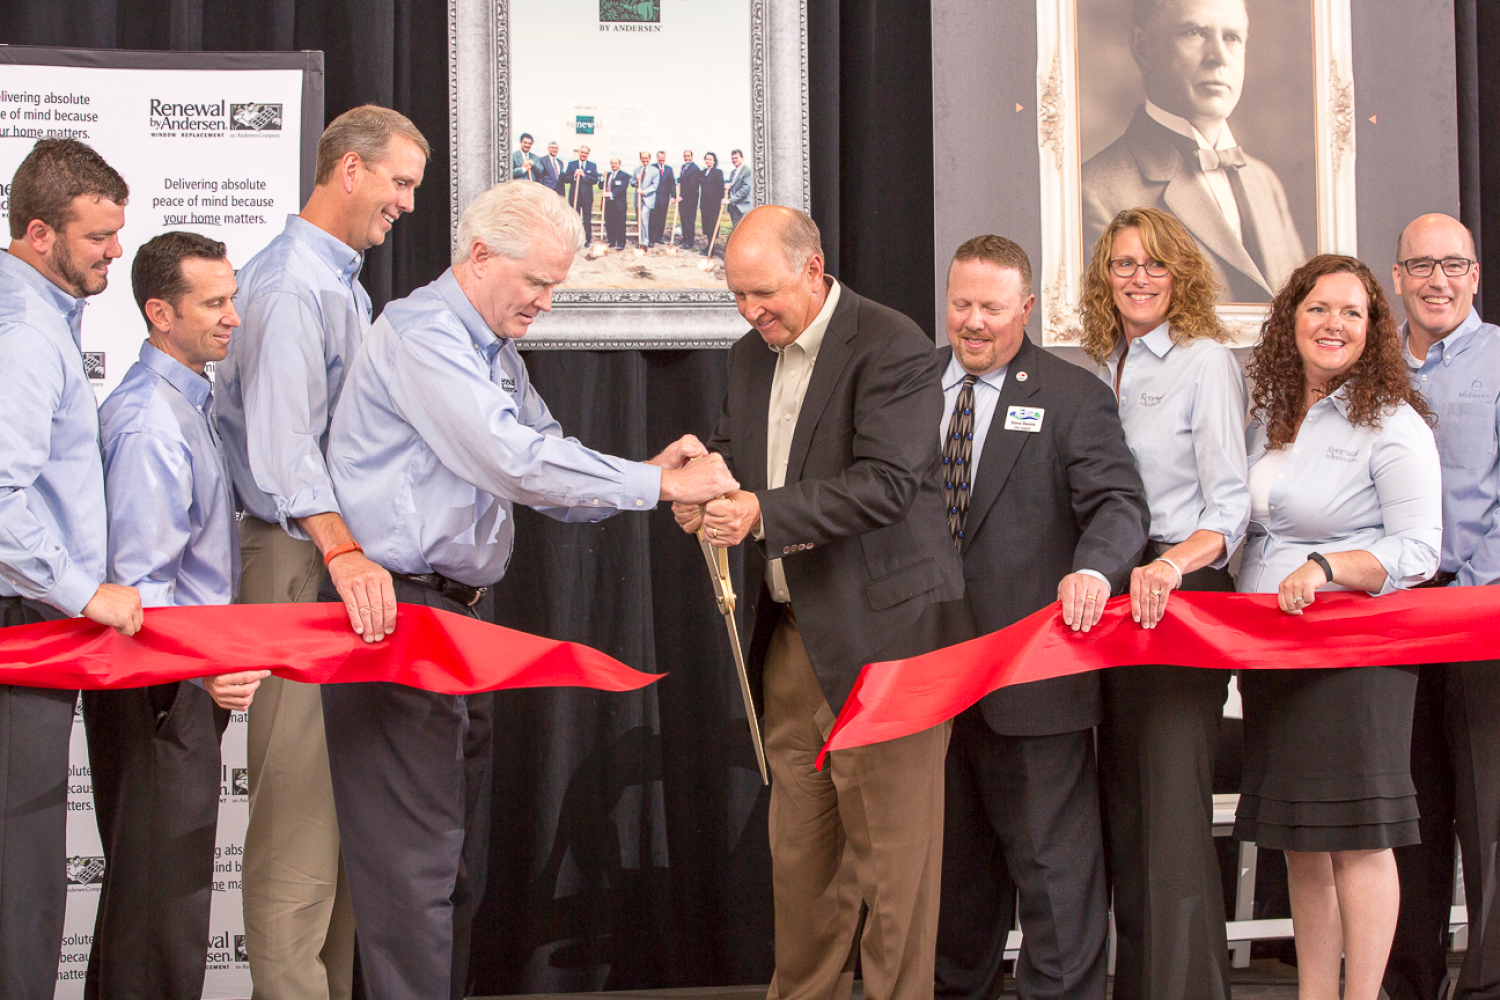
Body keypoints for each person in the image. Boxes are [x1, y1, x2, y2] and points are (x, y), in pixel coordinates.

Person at [322, 179, 738, 1000]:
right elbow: (514, 461)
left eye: (558, 285)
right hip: (399, 616)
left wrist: (647, 476)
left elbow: (552, 467)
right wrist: (661, 491)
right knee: (416, 875)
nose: (548, 302)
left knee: (450, 864)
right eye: (538, 282)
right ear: (479, 256)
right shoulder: (425, 334)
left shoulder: (492, 351)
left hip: (450, 619)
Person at [672, 205, 965, 1000]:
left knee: (895, 873)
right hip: (792, 644)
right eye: (736, 296)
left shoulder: (892, 343)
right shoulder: (746, 356)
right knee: (801, 867)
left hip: (889, 643)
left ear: (813, 269)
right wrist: (702, 481)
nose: (750, 312)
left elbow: (889, 483)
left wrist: (760, 512)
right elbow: (743, 457)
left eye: (762, 293)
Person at [214, 104, 429, 1000]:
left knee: (341, 819)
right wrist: (343, 554)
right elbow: (282, 453)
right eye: (400, 183)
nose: (408, 205)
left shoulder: (339, 279)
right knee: (300, 821)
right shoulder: (292, 285)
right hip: (300, 558)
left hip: (330, 557)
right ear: (349, 169)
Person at [934, 236, 1148, 1000]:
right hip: (930, 682)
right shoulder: (912, 385)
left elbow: (1120, 504)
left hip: (1033, 680)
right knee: (949, 883)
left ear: (1026, 308)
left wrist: (1093, 569)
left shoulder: (1071, 394)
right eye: (961, 303)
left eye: (992, 307)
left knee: (1055, 879)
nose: (973, 322)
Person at [1237, 254, 1441, 1000]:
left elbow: (1420, 549)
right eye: (1319, 308)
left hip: (1355, 661)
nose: (1334, 324)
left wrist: (1326, 566)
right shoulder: (1272, 415)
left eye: (1352, 312)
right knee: (1301, 845)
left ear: (1373, 330)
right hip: (1274, 656)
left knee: (1358, 842)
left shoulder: (1393, 421)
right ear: (1292, 318)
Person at [86, 232, 271, 1000]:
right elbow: (139, 589)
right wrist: (207, 663)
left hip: (178, 685)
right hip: (163, 689)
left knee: (160, 901)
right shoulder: (150, 422)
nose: (234, 317)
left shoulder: (184, 402)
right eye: (215, 302)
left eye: (234, 297)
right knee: (159, 909)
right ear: (160, 312)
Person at [1079, 206, 1250, 1000]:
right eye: (1122, 264)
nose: (1138, 278)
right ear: (1103, 277)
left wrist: (1173, 568)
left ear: (1179, 275)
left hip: (1181, 593)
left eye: (1154, 264)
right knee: (1125, 806)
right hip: (1116, 596)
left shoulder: (1204, 360)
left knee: (1171, 811)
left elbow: (1230, 506)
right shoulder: (1101, 367)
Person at [0, 137, 142, 1000]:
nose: (116, 253)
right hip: (23, 623)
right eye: (99, 238)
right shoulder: (25, 336)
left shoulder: (39, 321)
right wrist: (84, 590)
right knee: (20, 864)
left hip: (29, 617)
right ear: (42, 232)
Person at [1383, 214, 1500, 1000]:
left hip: (1481, 611)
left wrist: (1482, 593)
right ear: (1396, 278)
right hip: (1389, 621)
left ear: (1476, 276)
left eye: (1453, 265)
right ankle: (1408, 982)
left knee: (1489, 817)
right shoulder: (1370, 365)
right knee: (1404, 817)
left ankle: (1489, 983)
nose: (1437, 280)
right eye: (1421, 265)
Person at [1081, 0, 1306, 303]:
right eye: (1195, 32)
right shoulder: (1094, 192)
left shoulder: (1265, 183)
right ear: (1143, 48)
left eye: (1232, 37)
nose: (1220, 57)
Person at [563, 145, 599, 241]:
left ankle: (587, 239)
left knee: (587, 219)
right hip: (575, 196)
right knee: (575, 218)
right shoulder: (572, 164)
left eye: (586, 153)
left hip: (587, 197)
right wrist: (574, 176)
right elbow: (566, 178)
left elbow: (595, 180)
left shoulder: (592, 165)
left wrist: (584, 176)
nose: (583, 154)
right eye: (582, 152)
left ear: (588, 154)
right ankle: (575, 239)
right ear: (579, 152)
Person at [699, 152, 726, 255]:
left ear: (714, 161)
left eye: (710, 159)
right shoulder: (702, 173)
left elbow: (720, 188)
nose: (708, 161)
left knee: (712, 226)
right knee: (706, 225)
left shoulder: (718, 172)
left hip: (713, 204)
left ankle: (711, 247)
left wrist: (720, 200)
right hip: (704, 203)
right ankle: (708, 245)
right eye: (706, 159)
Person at [601, 156, 631, 249]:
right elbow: (600, 186)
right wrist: (602, 178)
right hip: (608, 203)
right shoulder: (608, 175)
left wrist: (610, 194)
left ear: (619, 164)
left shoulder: (624, 175)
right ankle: (612, 241)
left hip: (619, 204)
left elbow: (622, 188)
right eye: (612, 163)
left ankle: (621, 244)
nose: (614, 165)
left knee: (620, 224)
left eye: (615, 163)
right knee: (609, 223)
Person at [631, 151, 659, 248]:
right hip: (638, 199)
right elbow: (632, 182)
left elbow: (655, 186)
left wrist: (644, 191)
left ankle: (645, 241)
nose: (645, 160)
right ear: (640, 159)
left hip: (648, 198)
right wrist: (636, 182)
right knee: (639, 219)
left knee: (644, 217)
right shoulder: (637, 170)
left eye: (646, 158)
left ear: (650, 158)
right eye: (643, 158)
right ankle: (640, 237)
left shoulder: (655, 171)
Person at [650, 150, 676, 245]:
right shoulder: (652, 167)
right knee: (653, 218)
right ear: (657, 158)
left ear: (665, 158)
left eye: (663, 157)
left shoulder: (669, 169)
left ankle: (658, 237)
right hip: (654, 197)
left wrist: (673, 196)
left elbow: (672, 184)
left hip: (664, 198)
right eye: (660, 157)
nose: (661, 159)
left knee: (662, 218)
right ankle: (651, 239)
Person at [678, 149, 702, 248]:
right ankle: (685, 237)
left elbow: (692, 186)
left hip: (690, 199)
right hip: (683, 198)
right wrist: (679, 182)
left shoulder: (695, 169)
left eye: (688, 156)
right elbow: (682, 179)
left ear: (692, 157)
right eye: (685, 156)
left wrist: (682, 196)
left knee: (689, 220)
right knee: (683, 218)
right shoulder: (683, 167)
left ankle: (689, 241)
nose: (686, 158)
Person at [727, 149, 753, 229]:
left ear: (742, 158)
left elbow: (744, 190)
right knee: (735, 230)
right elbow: (733, 186)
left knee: (744, 230)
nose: (734, 160)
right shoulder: (733, 172)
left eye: (736, 158)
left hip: (743, 208)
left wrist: (730, 200)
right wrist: (729, 185)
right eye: (732, 158)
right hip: (733, 208)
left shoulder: (747, 171)